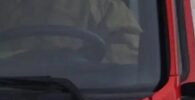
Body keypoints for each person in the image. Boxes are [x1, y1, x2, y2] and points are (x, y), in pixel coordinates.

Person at [0, 0, 141, 64]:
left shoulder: (100, 3)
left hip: (80, 94)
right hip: (11, 94)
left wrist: (88, 69)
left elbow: (131, 52)